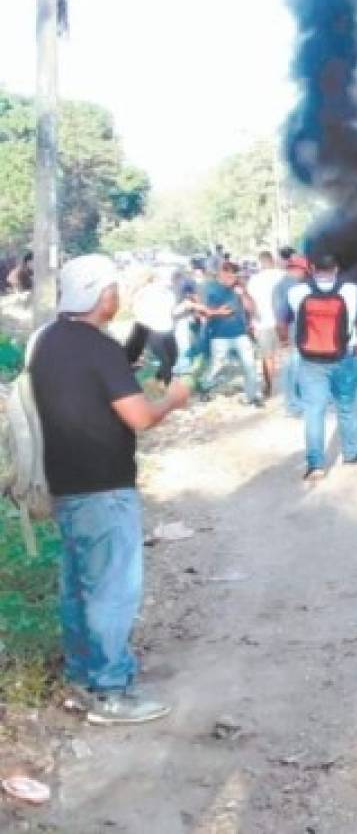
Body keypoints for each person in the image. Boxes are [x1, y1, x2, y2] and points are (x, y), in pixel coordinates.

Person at [30, 255, 191, 724]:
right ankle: (112, 691)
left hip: (65, 482)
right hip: (105, 485)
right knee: (111, 590)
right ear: (102, 295)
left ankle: (82, 677)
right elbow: (140, 416)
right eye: (113, 289)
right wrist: (173, 401)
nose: (117, 297)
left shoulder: (47, 340)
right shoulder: (99, 348)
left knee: (78, 586)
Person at [280, 254, 357, 482]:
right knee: (347, 408)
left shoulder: (295, 292)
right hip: (345, 358)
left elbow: (282, 322)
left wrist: (286, 340)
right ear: (336, 269)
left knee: (314, 411)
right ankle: (351, 454)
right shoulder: (352, 291)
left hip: (311, 360)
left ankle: (316, 465)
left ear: (312, 268)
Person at [199, 262, 262, 406]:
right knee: (217, 365)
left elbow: (251, 309)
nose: (230, 275)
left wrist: (244, 294)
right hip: (219, 334)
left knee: (249, 365)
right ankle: (204, 386)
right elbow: (201, 312)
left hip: (240, 333)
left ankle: (252, 397)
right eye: (227, 271)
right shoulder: (210, 288)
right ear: (220, 273)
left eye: (233, 272)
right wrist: (217, 312)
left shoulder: (239, 288)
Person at [272, 255, 309, 416]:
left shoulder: (279, 286)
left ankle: (293, 402)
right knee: (294, 368)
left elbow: (279, 315)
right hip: (295, 331)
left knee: (291, 368)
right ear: (299, 269)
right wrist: (285, 338)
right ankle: (293, 404)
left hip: (288, 331)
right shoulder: (295, 287)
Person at [247, 251, 287, 399]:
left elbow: (250, 304)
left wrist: (252, 322)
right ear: (273, 261)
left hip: (262, 322)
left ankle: (269, 388)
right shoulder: (283, 276)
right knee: (286, 354)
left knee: (267, 357)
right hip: (283, 321)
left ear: (261, 262)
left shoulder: (254, 280)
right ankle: (293, 389)